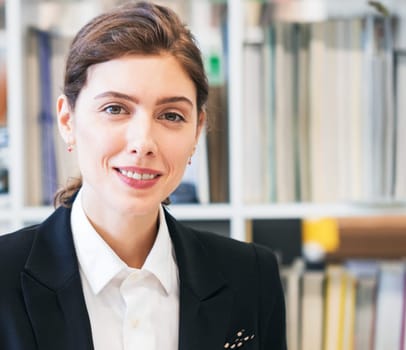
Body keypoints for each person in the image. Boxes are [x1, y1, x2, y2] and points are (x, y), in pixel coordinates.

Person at [0, 2, 287, 349]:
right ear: (67, 121)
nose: (143, 143)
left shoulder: (250, 276)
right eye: (115, 109)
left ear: (197, 130)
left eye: (171, 115)